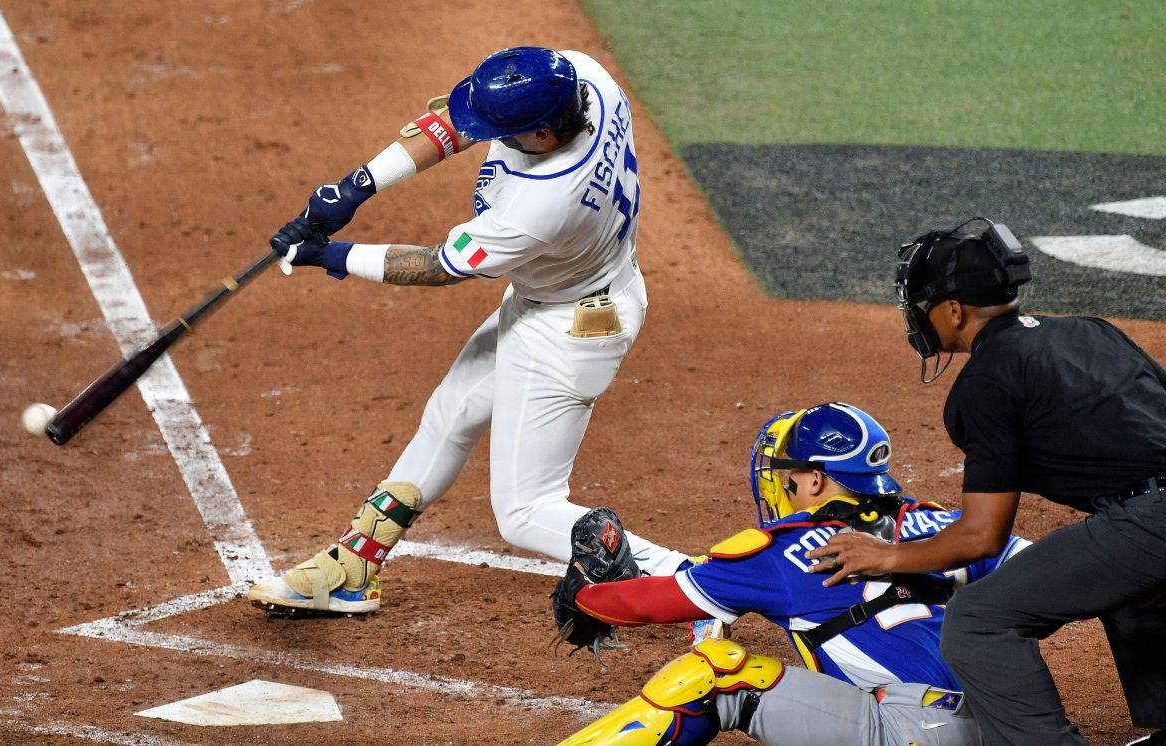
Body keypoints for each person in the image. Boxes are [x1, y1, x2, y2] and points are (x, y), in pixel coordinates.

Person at [247, 46, 688, 615]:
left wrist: (329, 254)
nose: (484, 135)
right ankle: (355, 567)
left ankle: (689, 581)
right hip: (561, 295)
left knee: (526, 512)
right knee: (451, 414)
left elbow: (436, 266)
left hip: (568, 330)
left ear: (543, 136)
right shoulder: (585, 78)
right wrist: (357, 186)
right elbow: (461, 117)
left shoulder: (542, 204)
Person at [807, 219, 1166, 745]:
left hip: (1152, 519)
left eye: (922, 305)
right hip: (1148, 517)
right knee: (1131, 582)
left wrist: (887, 557)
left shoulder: (986, 381)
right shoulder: (1092, 330)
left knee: (978, 621)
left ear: (953, 311)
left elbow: (982, 537)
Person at [554, 402, 1031, 746]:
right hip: (1004, 725)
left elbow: (651, 603)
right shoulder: (947, 527)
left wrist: (583, 595)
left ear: (816, 480)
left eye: (789, 479)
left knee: (718, 675)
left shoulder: (786, 552)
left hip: (912, 734)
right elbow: (1045, 571)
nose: (782, 488)